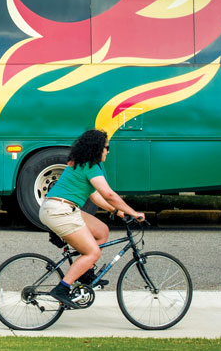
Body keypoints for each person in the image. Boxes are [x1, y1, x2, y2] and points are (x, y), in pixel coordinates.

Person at [39, 129, 145, 308]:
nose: (108, 151)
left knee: (101, 231)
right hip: (61, 211)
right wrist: (134, 212)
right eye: (106, 147)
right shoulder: (90, 166)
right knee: (93, 252)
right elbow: (109, 194)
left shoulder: (83, 165)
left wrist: (117, 211)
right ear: (97, 148)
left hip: (60, 208)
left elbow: (96, 196)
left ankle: (85, 275)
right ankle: (62, 289)